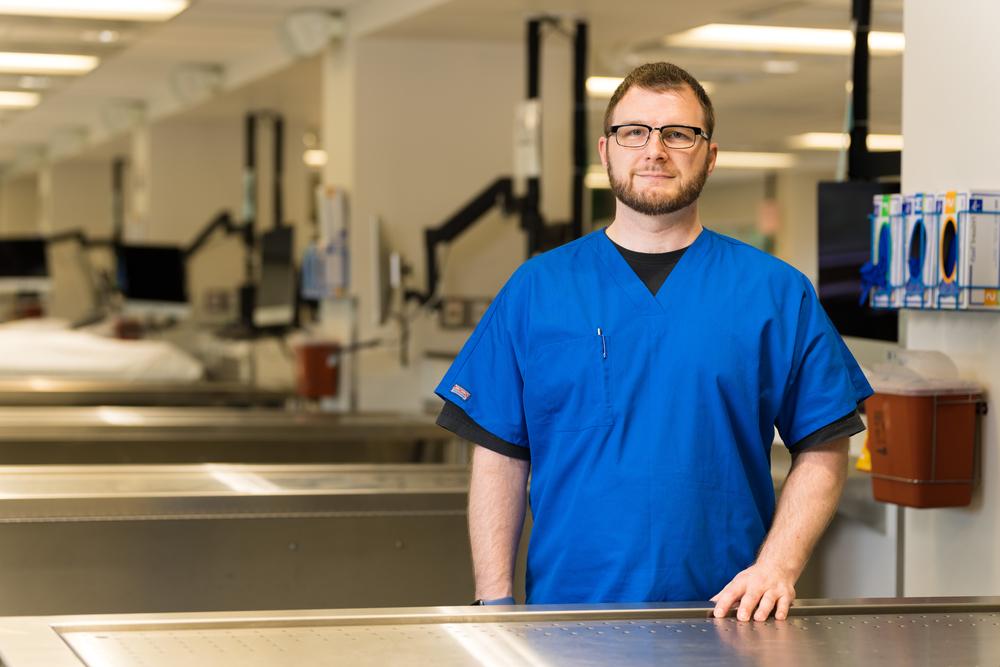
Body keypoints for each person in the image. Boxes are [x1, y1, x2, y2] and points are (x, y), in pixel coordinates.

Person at [434, 62, 872, 622]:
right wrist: (493, 600)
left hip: (730, 616)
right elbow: (499, 452)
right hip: (567, 619)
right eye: (634, 132)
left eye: (678, 134)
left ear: (709, 155)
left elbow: (825, 442)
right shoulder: (537, 289)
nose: (654, 150)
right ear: (606, 150)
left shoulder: (776, 292)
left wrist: (779, 565)